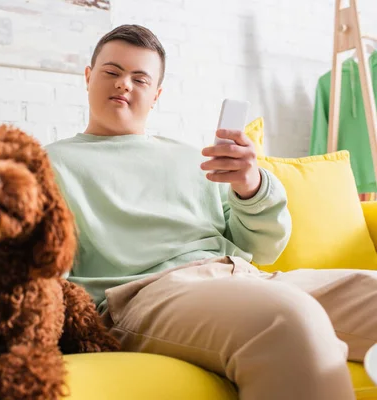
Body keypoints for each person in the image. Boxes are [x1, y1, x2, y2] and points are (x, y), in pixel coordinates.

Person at [44, 24, 377, 400]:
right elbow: (44, 267)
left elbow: (263, 249)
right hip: (145, 296)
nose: (124, 84)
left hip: (244, 277)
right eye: (112, 72)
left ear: (156, 95)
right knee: (286, 319)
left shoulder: (196, 159)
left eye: (140, 78)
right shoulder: (48, 165)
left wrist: (250, 185)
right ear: (88, 77)